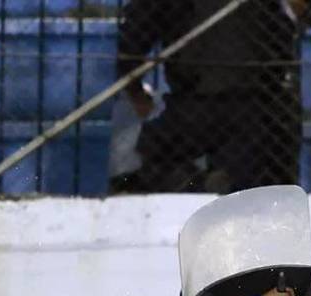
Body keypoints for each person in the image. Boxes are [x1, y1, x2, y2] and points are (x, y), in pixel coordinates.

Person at [115, 0, 301, 193]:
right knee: (264, 157)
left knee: (153, 152)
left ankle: (193, 183)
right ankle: (213, 183)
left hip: (196, 102)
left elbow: (130, 42)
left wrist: (136, 92)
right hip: (256, 102)